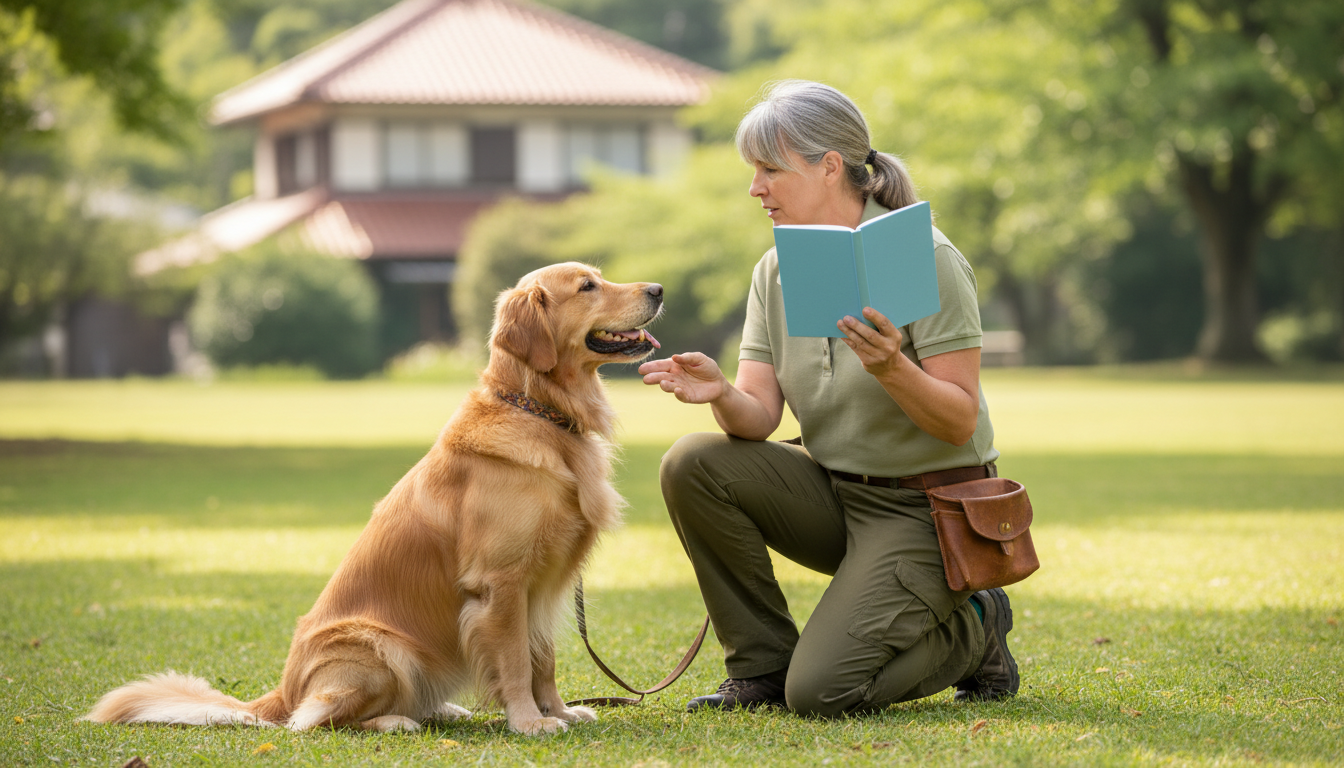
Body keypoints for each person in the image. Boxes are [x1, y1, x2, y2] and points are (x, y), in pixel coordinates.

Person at [637, 80, 1018, 717]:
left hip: (928, 512)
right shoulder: (774, 270)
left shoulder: (926, 257)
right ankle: (760, 668)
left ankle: (977, 626)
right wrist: (721, 393)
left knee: (821, 694)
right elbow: (758, 419)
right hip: (837, 493)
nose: (755, 188)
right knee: (693, 461)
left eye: (768, 170)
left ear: (829, 167)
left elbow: (958, 421)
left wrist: (893, 368)